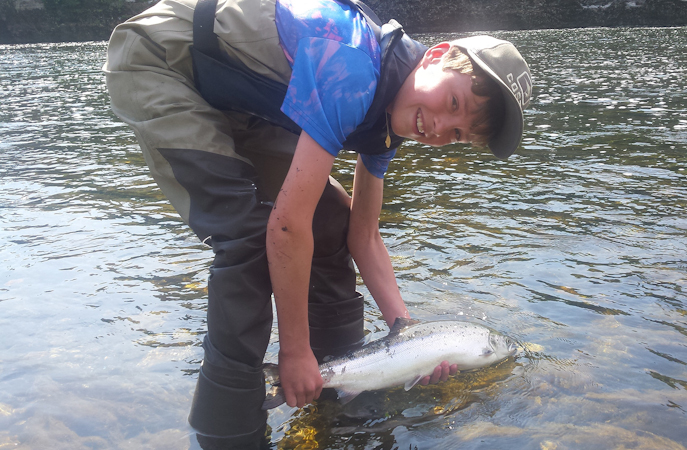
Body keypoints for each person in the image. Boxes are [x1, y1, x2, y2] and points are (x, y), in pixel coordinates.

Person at [103, 0, 532, 447]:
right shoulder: (355, 68)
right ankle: (227, 428)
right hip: (161, 62)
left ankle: (338, 390)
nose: (439, 127)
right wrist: (294, 350)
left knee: (330, 221)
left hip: (232, 93)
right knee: (248, 239)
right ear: (435, 55)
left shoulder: (394, 115)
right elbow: (286, 227)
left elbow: (362, 235)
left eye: (457, 133)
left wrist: (407, 333)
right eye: (452, 101)